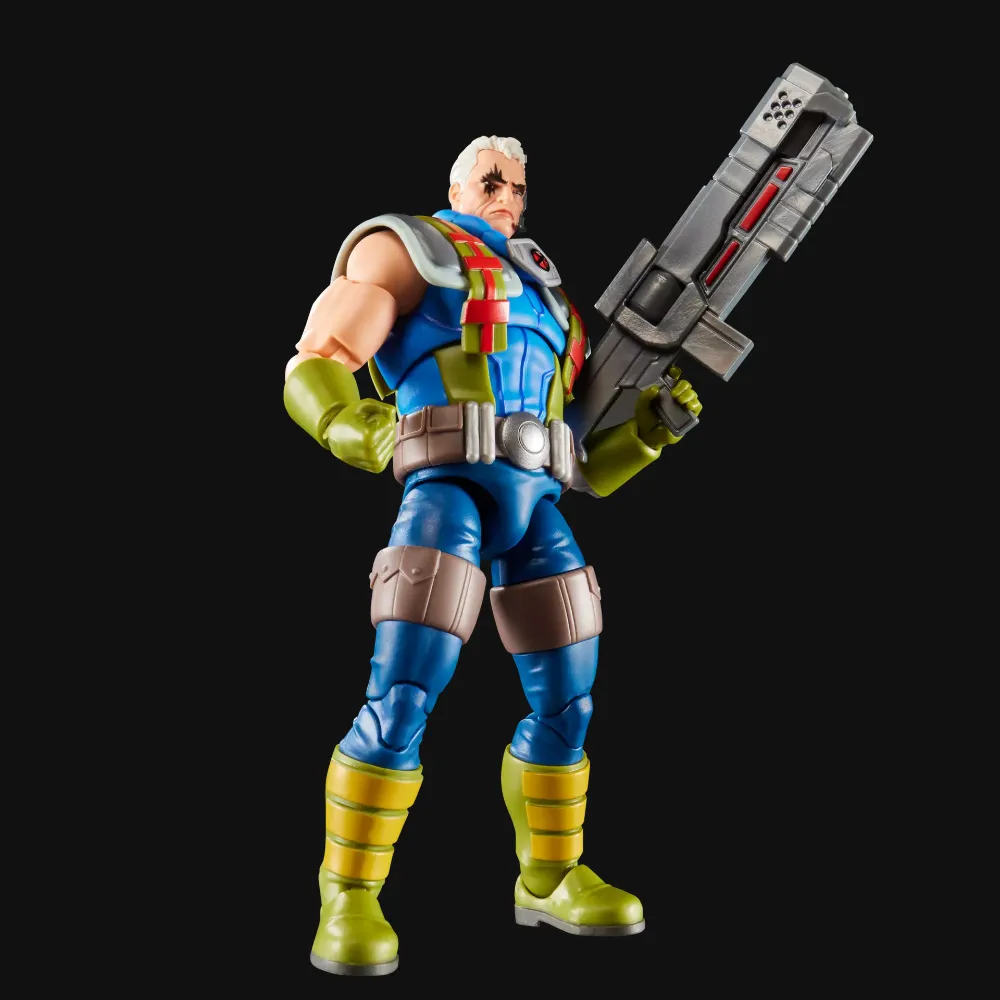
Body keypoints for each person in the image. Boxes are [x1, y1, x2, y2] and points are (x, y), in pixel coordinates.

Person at [284, 135, 703, 976]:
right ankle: (349, 893)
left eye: (518, 184)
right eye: (491, 180)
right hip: (446, 494)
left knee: (570, 703)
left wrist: (648, 435)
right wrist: (355, 426)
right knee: (402, 695)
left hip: (536, 506)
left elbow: (583, 462)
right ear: (455, 188)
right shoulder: (413, 249)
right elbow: (318, 361)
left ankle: (548, 876)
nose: (507, 194)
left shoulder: (553, 305)